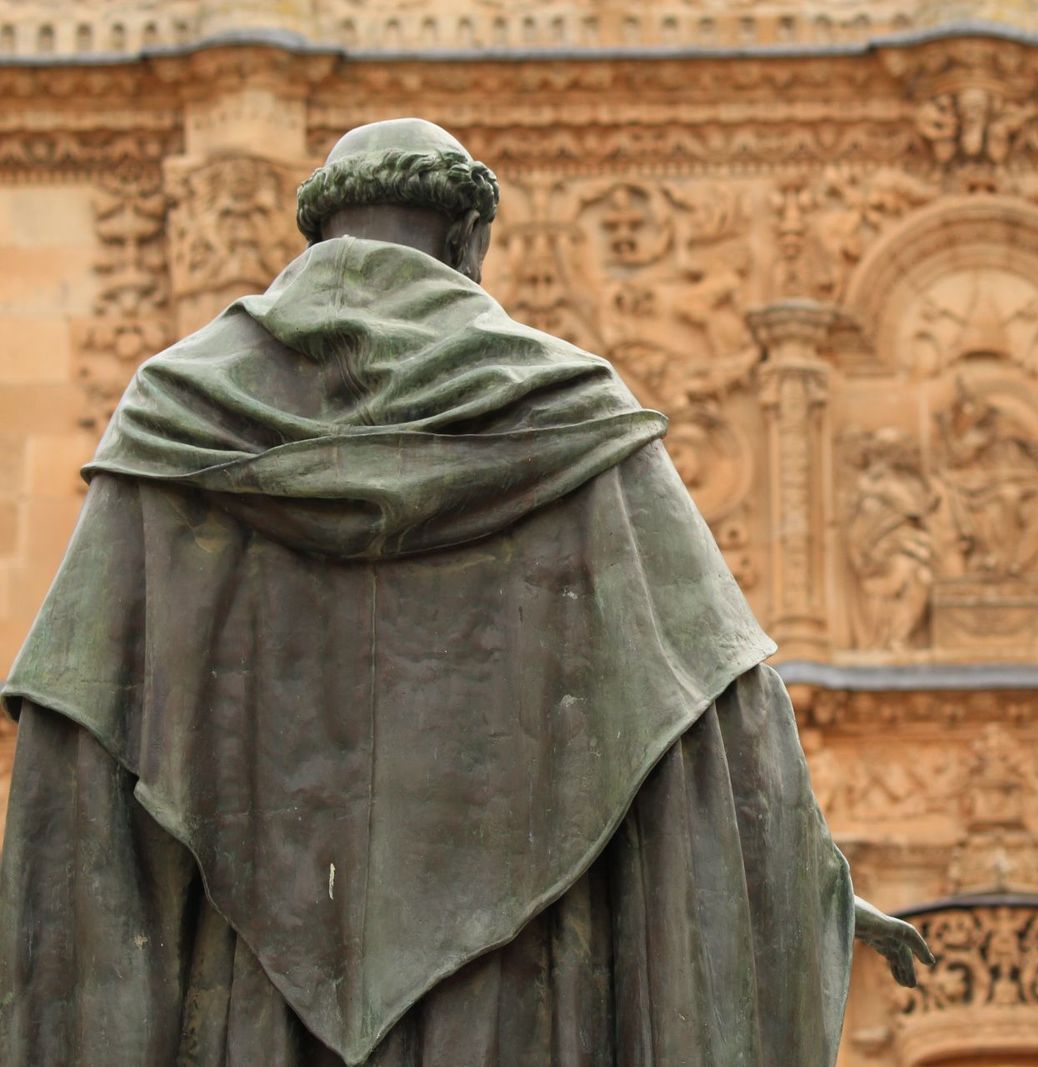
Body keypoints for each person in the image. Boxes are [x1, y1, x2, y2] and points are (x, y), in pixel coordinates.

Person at [0, 118, 928, 1066]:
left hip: (249, 1002)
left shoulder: (173, 426)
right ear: (468, 242)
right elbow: (721, 729)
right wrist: (802, 887)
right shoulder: (573, 423)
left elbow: (76, 759)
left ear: (320, 237)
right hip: (514, 998)